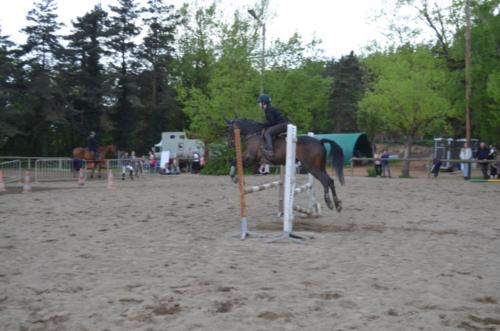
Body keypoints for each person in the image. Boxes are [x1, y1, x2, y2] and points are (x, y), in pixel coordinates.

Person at [258, 94, 290, 159]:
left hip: (283, 125)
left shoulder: (269, 110)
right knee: (270, 131)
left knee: (267, 133)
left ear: (263, 103)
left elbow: (272, 122)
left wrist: (263, 124)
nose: (259, 104)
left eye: (260, 102)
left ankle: (270, 150)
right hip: (284, 124)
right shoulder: (269, 109)